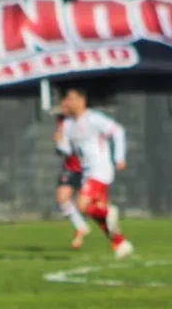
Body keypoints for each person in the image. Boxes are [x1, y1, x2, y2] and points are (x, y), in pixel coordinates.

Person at [56, 88, 133, 259]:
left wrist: (119, 157)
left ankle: (108, 213)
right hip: (86, 172)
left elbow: (118, 131)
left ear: (82, 100)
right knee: (97, 215)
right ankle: (120, 243)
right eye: (68, 99)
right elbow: (68, 150)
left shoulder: (93, 118)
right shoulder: (68, 124)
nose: (69, 102)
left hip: (100, 169)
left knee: (83, 205)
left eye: (72, 99)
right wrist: (59, 141)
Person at [52, 102, 90, 249]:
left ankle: (115, 236)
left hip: (88, 168)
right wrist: (59, 143)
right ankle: (81, 228)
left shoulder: (85, 121)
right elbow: (63, 149)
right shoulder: (63, 121)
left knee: (89, 204)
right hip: (71, 167)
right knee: (62, 199)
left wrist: (61, 143)